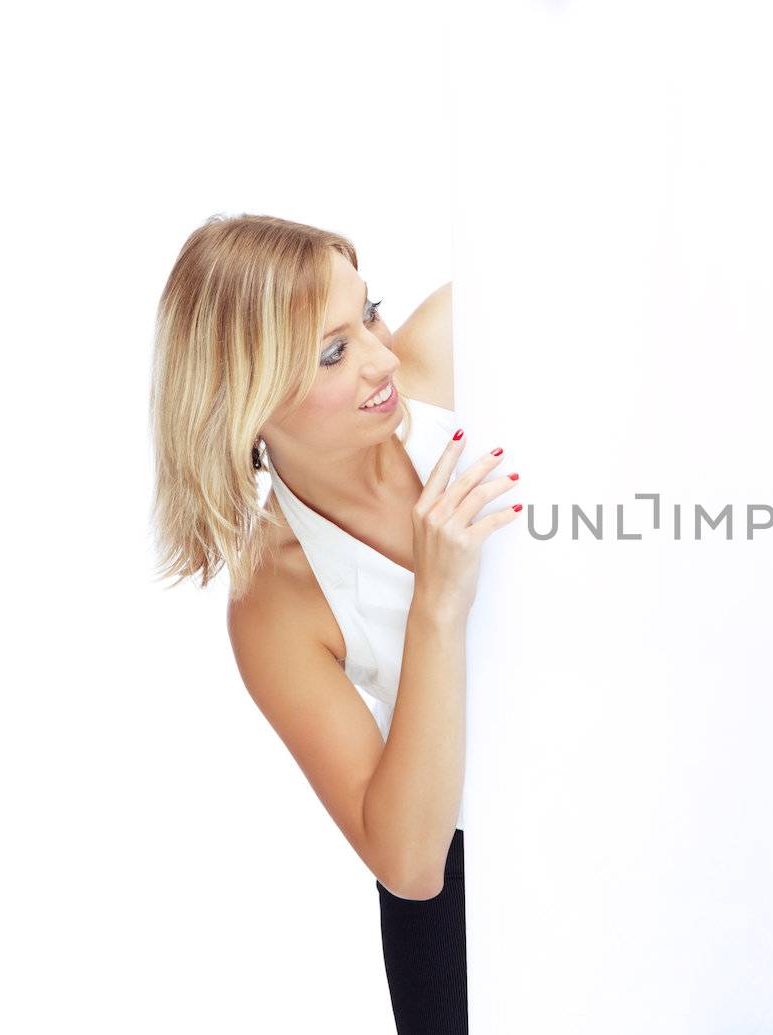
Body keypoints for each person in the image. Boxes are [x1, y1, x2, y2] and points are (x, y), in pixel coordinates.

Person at [148, 214, 520, 1033]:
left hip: (605, 803)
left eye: (370, 313)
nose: (383, 359)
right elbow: (411, 864)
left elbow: (638, 230)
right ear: (246, 400)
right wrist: (437, 605)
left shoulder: (458, 352)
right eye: (332, 352)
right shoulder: (274, 601)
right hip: (462, 902)